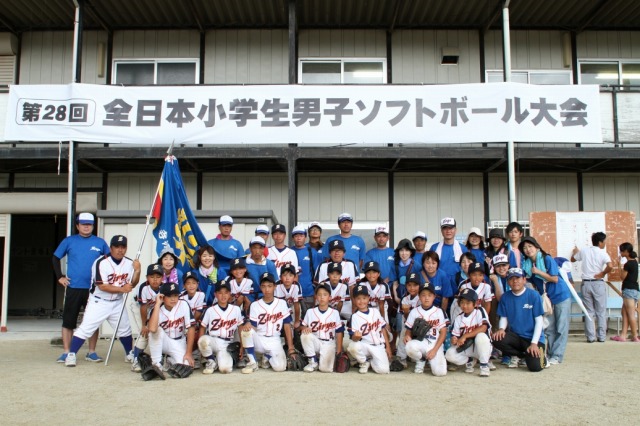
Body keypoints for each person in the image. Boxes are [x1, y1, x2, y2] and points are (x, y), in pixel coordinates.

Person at [64, 235, 141, 367]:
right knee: (86, 329)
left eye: (123, 247)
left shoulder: (129, 263)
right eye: (117, 246)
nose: (120, 250)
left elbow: (132, 284)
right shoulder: (101, 262)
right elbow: (102, 286)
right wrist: (122, 289)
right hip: (99, 301)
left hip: (117, 302)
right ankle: (71, 355)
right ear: (111, 248)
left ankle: (129, 353)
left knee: (125, 330)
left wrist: (138, 271)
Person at [52, 212, 110, 364]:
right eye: (83, 224)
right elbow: (55, 257)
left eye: (89, 224)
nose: (86, 226)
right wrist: (60, 277)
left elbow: (110, 262)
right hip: (74, 287)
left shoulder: (100, 242)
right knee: (68, 321)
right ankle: (66, 352)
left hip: (94, 289)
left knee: (93, 321)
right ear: (77, 225)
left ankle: (91, 352)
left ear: (93, 226)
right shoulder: (69, 241)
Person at [521, 236, 571, 365]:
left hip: (560, 295)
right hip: (546, 299)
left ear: (537, 247)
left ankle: (557, 355)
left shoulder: (546, 258)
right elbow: (530, 282)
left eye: (530, 246)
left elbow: (554, 279)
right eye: (525, 248)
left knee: (561, 327)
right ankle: (549, 353)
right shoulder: (527, 264)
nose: (527, 250)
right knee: (549, 328)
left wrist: (538, 272)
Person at [239, 272, 297, 373]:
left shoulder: (282, 303)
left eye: (270, 286)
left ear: (275, 287)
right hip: (259, 340)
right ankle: (253, 362)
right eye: (264, 286)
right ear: (260, 288)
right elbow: (253, 326)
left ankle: (267, 356)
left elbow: (287, 326)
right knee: (246, 331)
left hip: (275, 340)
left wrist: (291, 347)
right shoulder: (255, 305)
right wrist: (248, 325)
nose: (267, 289)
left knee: (280, 368)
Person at [492, 268, 546, 372]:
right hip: (516, 337)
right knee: (496, 338)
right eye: (511, 279)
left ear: (524, 280)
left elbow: (539, 321)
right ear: (508, 282)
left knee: (535, 367)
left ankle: (543, 355)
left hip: (533, 338)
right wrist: (501, 329)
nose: (515, 281)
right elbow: (504, 317)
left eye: (518, 278)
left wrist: (534, 343)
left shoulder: (534, 295)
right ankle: (521, 355)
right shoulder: (505, 297)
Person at [571, 232, 613, 343]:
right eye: (604, 241)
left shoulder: (584, 251)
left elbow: (572, 259)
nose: (605, 243)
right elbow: (610, 266)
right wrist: (603, 273)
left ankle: (590, 337)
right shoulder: (603, 253)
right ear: (600, 242)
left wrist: (576, 252)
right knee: (600, 311)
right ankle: (602, 337)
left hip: (586, 283)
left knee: (589, 311)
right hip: (598, 283)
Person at [147, 282, 196, 377]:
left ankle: (169, 360)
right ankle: (156, 364)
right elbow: (152, 329)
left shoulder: (183, 304)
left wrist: (189, 353)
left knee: (186, 366)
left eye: (175, 295)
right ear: (162, 297)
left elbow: (191, 328)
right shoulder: (156, 309)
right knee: (158, 331)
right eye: (169, 296)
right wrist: (157, 304)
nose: (173, 299)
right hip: (163, 342)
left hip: (179, 342)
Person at [198, 280, 244, 374]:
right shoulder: (210, 310)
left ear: (230, 294)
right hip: (213, 340)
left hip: (227, 344)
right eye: (220, 293)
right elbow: (202, 328)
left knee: (225, 369)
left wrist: (242, 346)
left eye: (226, 292)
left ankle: (218, 360)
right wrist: (202, 350)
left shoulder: (236, 309)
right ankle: (211, 361)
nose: (223, 295)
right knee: (203, 340)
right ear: (215, 294)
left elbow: (240, 328)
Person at [445, 288, 493, 377]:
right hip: (467, 348)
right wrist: (454, 340)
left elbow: (483, 327)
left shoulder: (480, 311)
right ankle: (470, 360)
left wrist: (465, 336)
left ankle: (484, 366)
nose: (465, 306)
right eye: (462, 302)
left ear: (474, 303)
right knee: (449, 354)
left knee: (481, 336)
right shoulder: (458, 318)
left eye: (468, 303)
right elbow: (454, 336)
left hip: (482, 348)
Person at [404, 282, 449, 376]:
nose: (426, 298)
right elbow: (408, 329)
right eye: (423, 295)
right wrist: (407, 335)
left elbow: (443, 332)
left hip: (435, 343)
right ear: (419, 297)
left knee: (440, 373)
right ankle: (421, 360)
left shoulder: (439, 311)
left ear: (434, 296)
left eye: (429, 295)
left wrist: (434, 350)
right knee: (409, 346)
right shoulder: (414, 311)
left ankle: (430, 359)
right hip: (421, 342)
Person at [300, 283, 345, 373]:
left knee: (326, 369)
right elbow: (302, 326)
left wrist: (339, 350)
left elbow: (339, 332)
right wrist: (304, 328)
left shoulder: (335, 313)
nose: (322, 297)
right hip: (316, 341)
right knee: (305, 335)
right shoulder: (310, 312)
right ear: (316, 297)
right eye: (319, 295)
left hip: (329, 343)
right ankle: (312, 361)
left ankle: (319, 359)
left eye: (325, 295)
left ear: (330, 297)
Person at [347, 284, 392, 374]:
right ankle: (364, 361)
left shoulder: (375, 311)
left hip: (379, 346)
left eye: (364, 298)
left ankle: (371, 361)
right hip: (365, 345)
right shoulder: (355, 317)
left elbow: (383, 329)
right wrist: (356, 337)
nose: (361, 301)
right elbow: (353, 338)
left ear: (368, 298)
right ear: (354, 300)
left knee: (383, 370)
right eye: (358, 298)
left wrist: (388, 347)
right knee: (352, 346)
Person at [131, 263, 164, 372]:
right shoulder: (144, 287)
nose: (155, 280)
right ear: (147, 278)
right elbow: (143, 307)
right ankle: (136, 360)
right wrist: (144, 325)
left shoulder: (164, 288)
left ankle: (158, 358)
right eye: (152, 277)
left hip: (154, 309)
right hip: (139, 308)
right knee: (144, 334)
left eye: (158, 277)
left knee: (156, 331)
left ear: (162, 278)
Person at [291, 225, 321, 317]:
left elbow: (317, 273)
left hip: (309, 293)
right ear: (293, 238)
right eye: (296, 236)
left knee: (309, 319)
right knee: (294, 320)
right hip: (292, 293)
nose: (299, 238)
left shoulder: (312, 252)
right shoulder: (289, 251)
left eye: (301, 235)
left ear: (305, 237)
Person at [611, 242, 639, 342]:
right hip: (634, 290)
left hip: (628, 290)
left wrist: (619, 265)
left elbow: (622, 277)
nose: (620, 253)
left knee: (630, 313)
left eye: (622, 251)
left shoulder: (628, 263)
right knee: (624, 313)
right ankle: (622, 335)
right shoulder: (635, 262)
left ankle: (635, 336)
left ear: (627, 252)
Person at [430, 217, 468, 282]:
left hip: (459, 283)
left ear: (455, 230)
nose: (448, 231)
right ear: (441, 231)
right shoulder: (434, 248)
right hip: (440, 283)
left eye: (451, 228)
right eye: (445, 228)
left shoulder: (463, 248)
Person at [245, 236, 279, 303]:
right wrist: (245, 297)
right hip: (248, 298)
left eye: (260, 248)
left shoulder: (270, 264)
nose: (257, 251)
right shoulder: (244, 263)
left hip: (266, 297)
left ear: (264, 249)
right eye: (255, 248)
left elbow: (275, 284)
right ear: (250, 248)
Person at [275, 264, 303, 329]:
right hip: (279, 308)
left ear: (295, 277)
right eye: (284, 275)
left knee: (294, 325)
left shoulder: (297, 286)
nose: (287, 278)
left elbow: (296, 305)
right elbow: (275, 305)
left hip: (292, 306)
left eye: (290, 275)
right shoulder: (276, 286)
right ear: (280, 277)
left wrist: (296, 321)